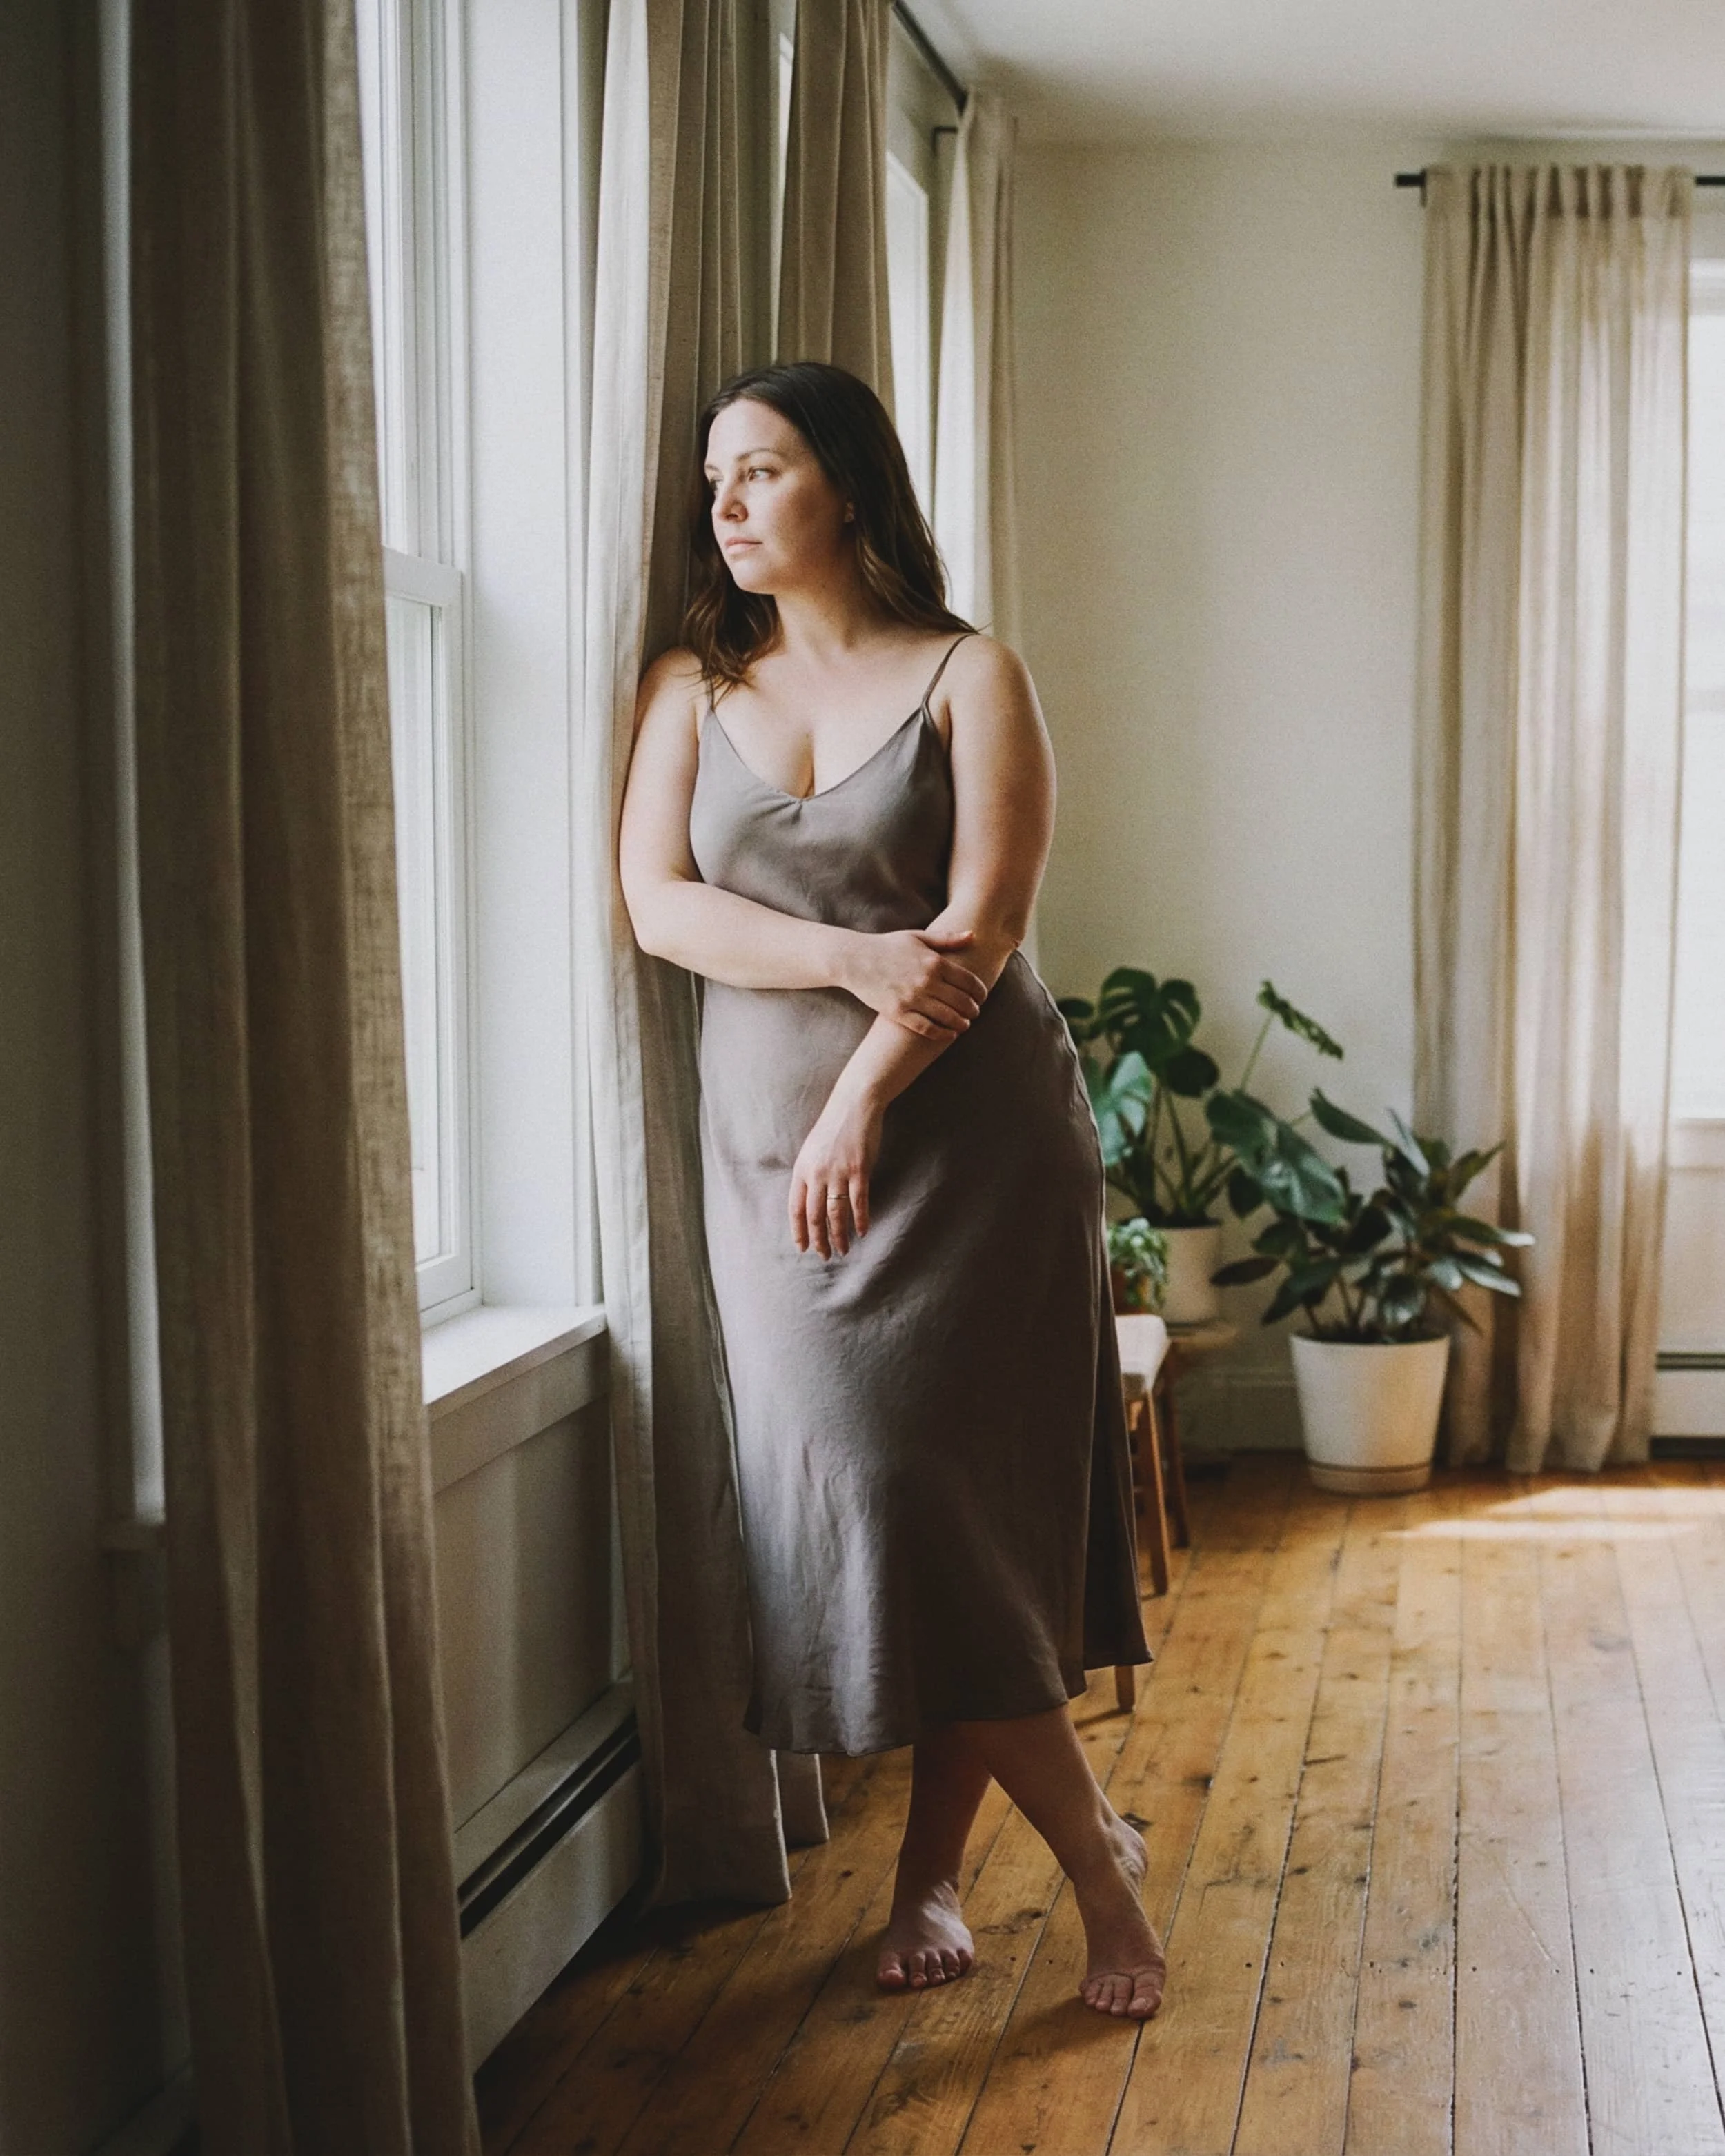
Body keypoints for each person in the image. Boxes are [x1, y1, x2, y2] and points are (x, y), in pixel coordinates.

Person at [618, 360, 1165, 2020]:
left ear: (845, 488)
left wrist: (859, 1091)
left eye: (760, 469)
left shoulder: (968, 675)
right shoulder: (686, 687)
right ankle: (1029, 1863)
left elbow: (983, 933)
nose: (722, 502)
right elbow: (658, 906)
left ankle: (1056, 1880)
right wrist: (853, 957)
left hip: (968, 1151)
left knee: (942, 1512)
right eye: (715, 475)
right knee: (881, 1502)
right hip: (761, 1169)